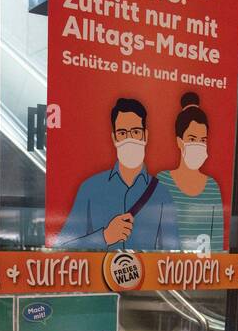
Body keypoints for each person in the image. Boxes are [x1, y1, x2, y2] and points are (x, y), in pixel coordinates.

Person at [54, 97, 180, 251]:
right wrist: (105, 236)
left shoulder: (161, 194)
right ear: (114, 138)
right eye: (122, 133)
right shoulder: (90, 189)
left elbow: (172, 255)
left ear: (145, 136)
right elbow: (61, 249)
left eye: (135, 132)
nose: (129, 139)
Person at [157, 92, 225, 252]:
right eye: (192, 139)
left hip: (201, 273)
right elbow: (152, 236)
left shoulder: (212, 187)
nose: (198, 145)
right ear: (180, 142)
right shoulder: (162, 181)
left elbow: (216, 247)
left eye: (203, 140)